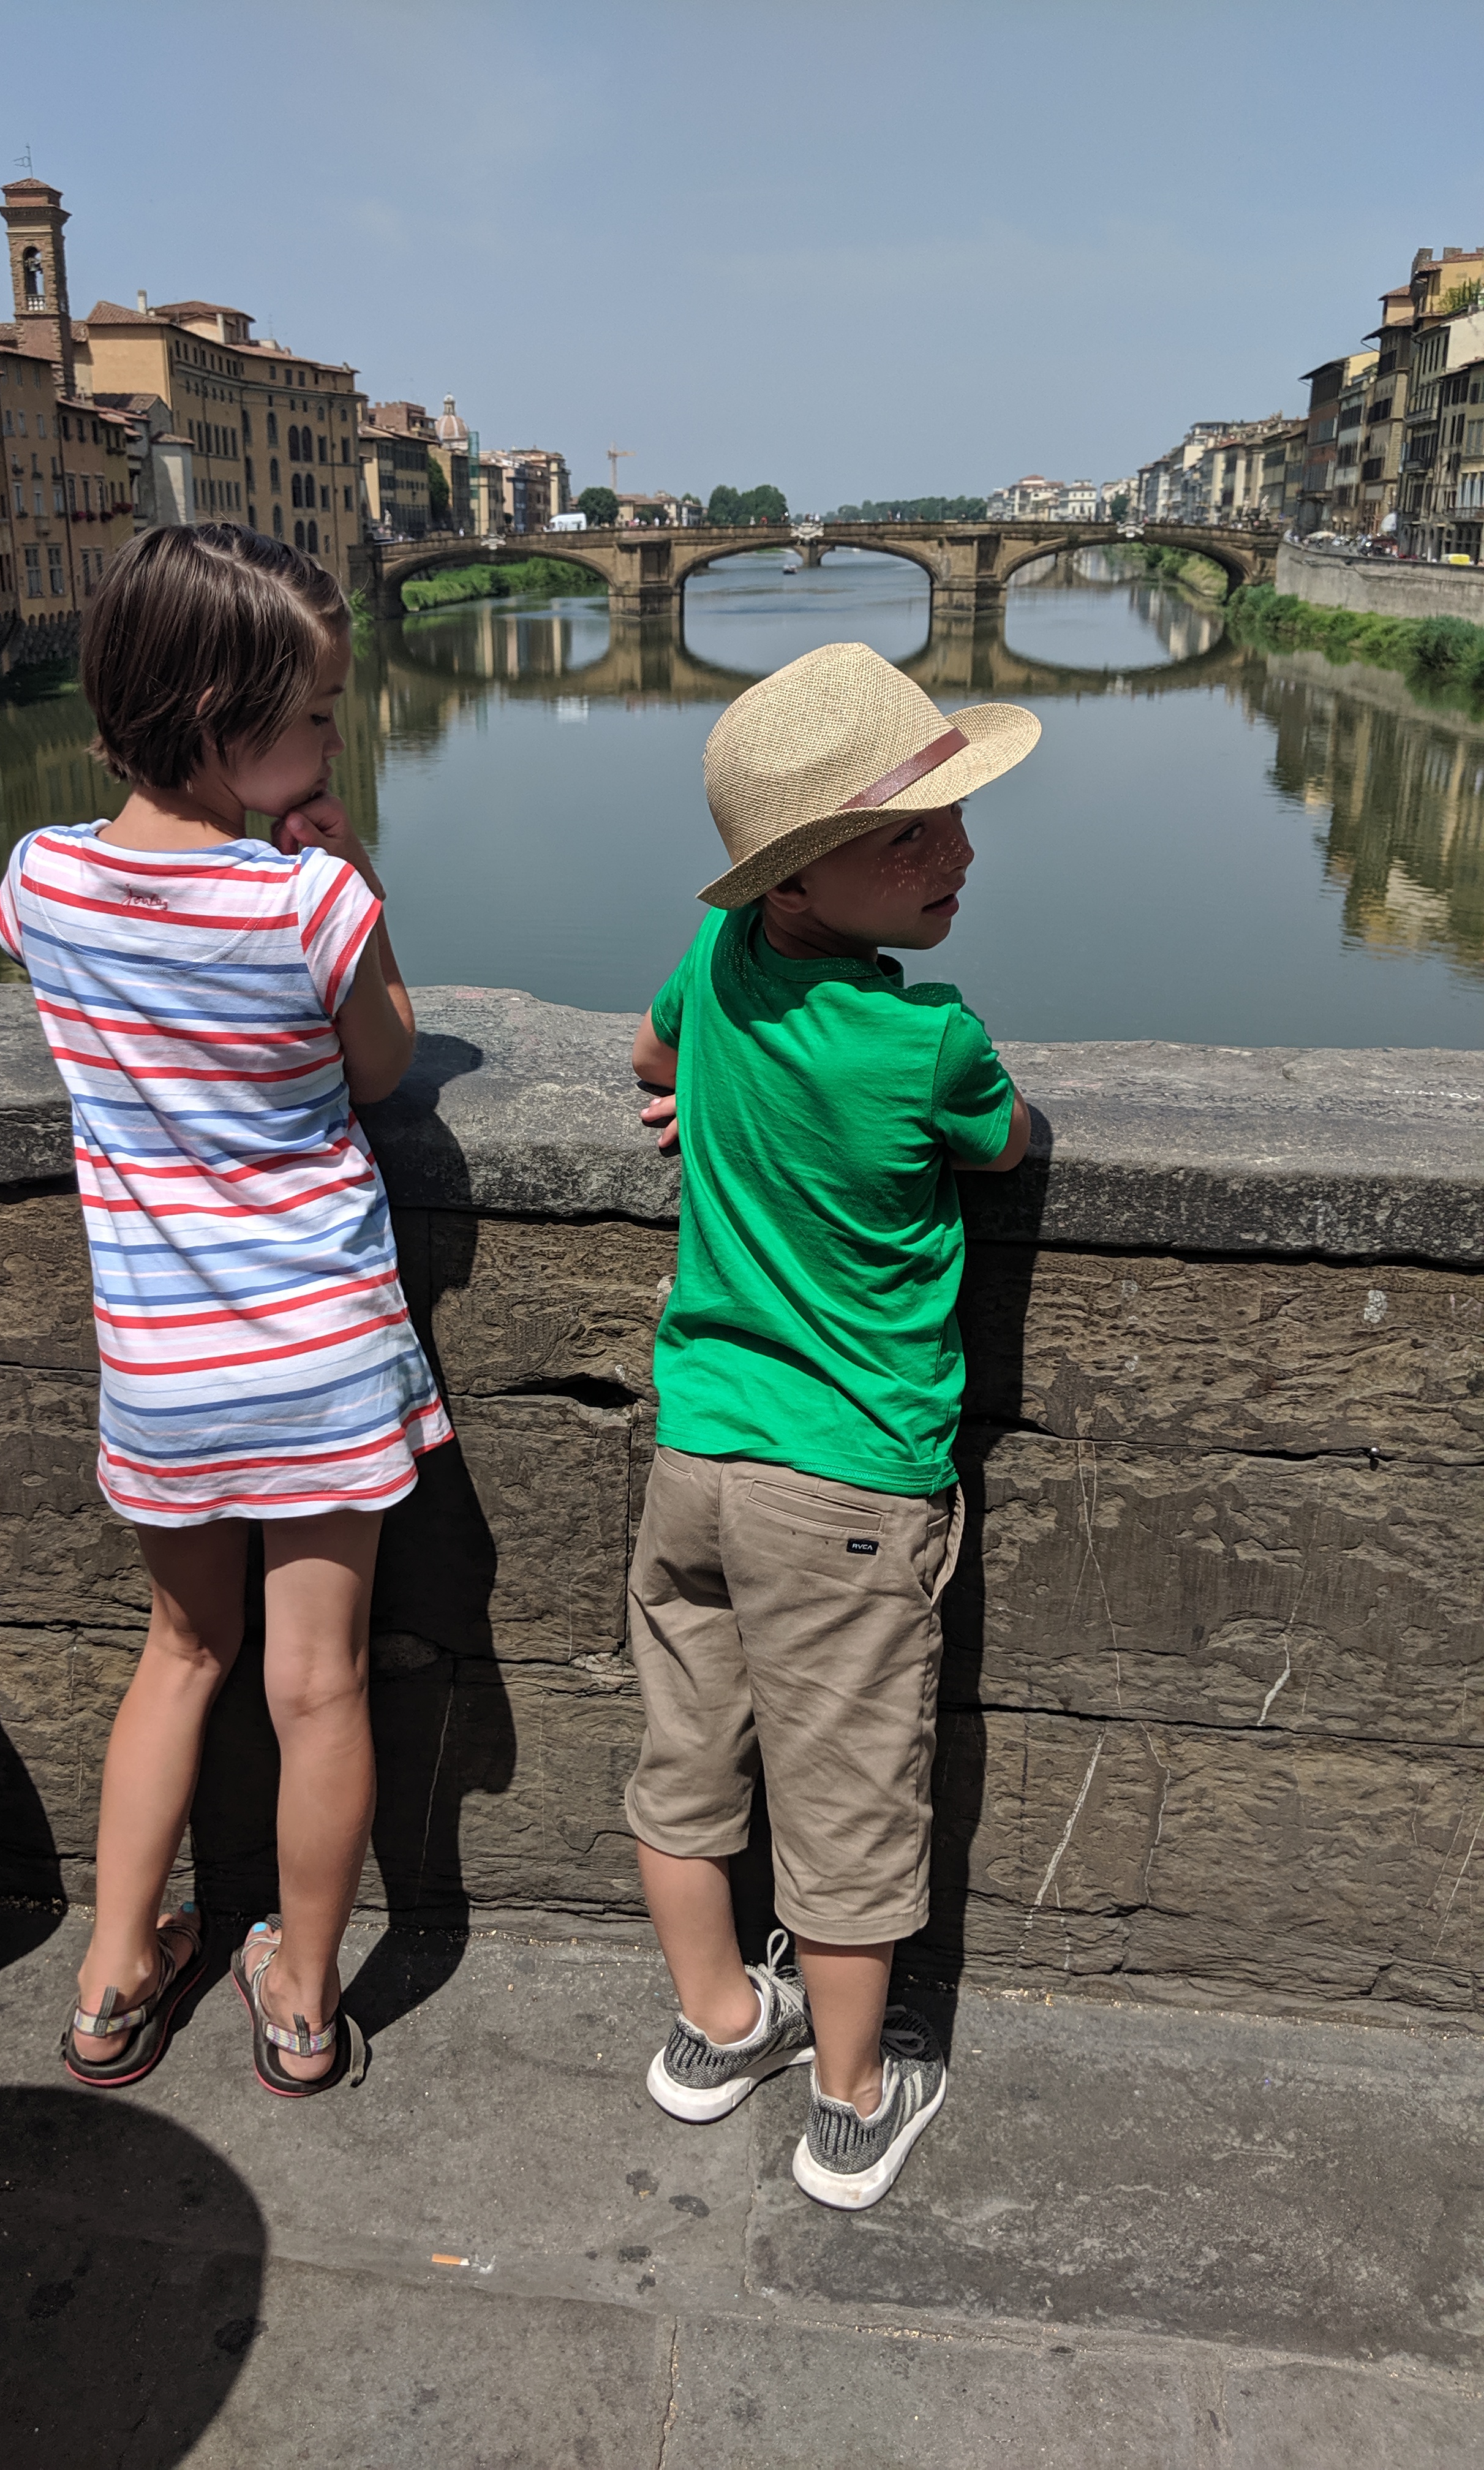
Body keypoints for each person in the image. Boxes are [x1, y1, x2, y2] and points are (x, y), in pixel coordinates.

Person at [0, 524, 450, 2097]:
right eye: (317, 716)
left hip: (165, 1371)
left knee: (181, 1654)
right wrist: (349, 872)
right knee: (318, 1686)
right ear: (218, 716)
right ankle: (304, 2004)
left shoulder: (39, 879)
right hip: (322, 1356)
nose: (336, 743)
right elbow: (384, 1063)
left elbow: (75, 946)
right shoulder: (307, 904)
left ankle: (113, 1979)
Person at [623, 642, 1038, 2210]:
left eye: (952, 819)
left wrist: (702, 1095)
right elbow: (1005, 1146)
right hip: (851, 1486)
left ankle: (719, 2027)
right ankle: (853, 2104)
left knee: (686, 1764)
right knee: (851, 1798)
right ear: (798, 881)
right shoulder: (927, 1042)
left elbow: (655, 1056)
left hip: (699, 1457)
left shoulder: (720, 958)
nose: (958, 853)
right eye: (908, 837)